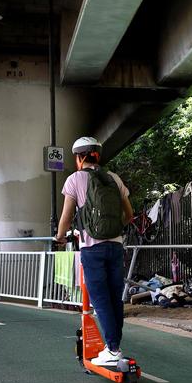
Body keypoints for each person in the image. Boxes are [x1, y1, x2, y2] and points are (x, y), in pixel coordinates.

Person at [55, 137, 134, 366]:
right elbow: (129, 215)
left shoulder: (74, 179)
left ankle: (113, 348)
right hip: (116, 246)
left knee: (100, 301)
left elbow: (66, 217)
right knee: (114, 299)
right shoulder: (113, 178)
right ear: (98, 155)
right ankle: (114, 345)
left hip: (92, 248)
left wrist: (60, 237)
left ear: (79, 157)